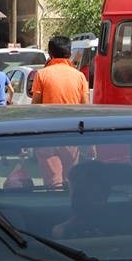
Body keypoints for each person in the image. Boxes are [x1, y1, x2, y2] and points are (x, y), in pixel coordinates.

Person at [30, 35, 90, 187]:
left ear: (50, 54)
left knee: (53, 182)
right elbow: (86, 110)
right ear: (69, 54)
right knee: (72, 180)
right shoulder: (80, 76)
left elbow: (35, 108)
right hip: (72, 136)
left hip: (47, 136)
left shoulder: (41, 75)